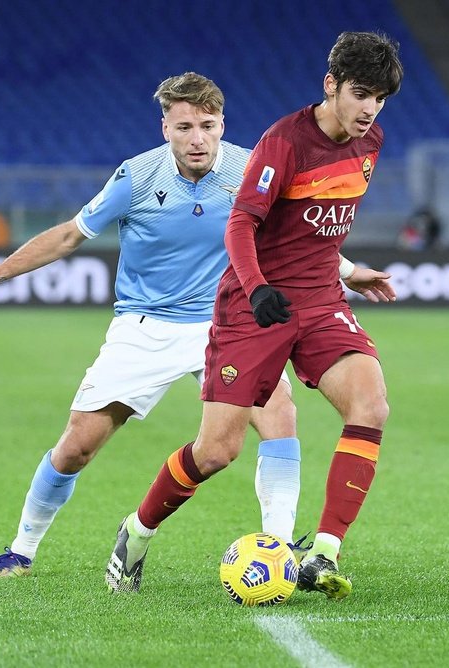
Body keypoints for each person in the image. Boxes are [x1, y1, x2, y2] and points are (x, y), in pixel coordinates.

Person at [0, 72, 393, 579]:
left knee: (279, 418)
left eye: (207, 125)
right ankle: (21, 549)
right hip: (145, 326)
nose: (196, 138)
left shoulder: (251, 166)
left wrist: (350, 272)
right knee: (77, 446)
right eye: (183, 127)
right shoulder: (136, 177)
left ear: (223, 126)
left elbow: (295, 240)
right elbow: (70, 235)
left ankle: (279, 547)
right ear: (164, 128)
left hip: (231, 320)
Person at [105, 31, 403, 601]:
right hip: (254, 306)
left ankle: (322, 553)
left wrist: (348, 270)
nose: (370, 109)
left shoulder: (372, 141)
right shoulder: (285, 142)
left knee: (371, 405)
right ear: (331, 85)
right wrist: (258, 287)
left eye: (381, 98)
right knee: (217, 450)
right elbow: (240, 224)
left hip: (319, 303)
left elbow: (317, 225)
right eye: (361, 93)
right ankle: (136, 534)